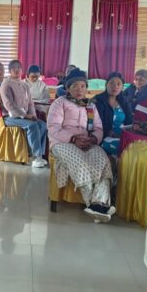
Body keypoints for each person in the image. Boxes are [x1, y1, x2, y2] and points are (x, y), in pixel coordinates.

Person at [47, 75, 115, 223]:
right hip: (62, 142)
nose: (79, 89)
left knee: (103, 161)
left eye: (82, 86)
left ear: (86, 89)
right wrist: (73, 139)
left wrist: (93, 139)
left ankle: (100, 203)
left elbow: (98, 128)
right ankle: (93, 204)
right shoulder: (60, 103)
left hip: (86, 141)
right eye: (75, 86)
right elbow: (53, 128)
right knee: (81, 162)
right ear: (68, 88)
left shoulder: (90, 106)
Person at [0, 60, 48, 168]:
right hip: (10, 117)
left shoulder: (24, 84)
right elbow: (9, 105)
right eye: (14, 68)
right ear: (10, 71)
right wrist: (26, 116)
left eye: (19, 67)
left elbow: (30, 102)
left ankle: (39, 155)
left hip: (24, 116)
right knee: (32, 125)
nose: (16, 70)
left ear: (22, 70)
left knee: (43, 125)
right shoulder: (6, 84)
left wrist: (33, 115)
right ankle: (35, 156)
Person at [91, 72, 133, 155]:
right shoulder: (98, 100)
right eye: (112, 83)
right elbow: (97, 124)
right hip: (105, 137)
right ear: (106, 85)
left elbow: (129, 121)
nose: (115, 86)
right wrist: (113, 134)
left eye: (118, 84)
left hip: (123, 135)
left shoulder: (124, 102)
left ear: (122, 87)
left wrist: (127, 134)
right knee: (125, 149)